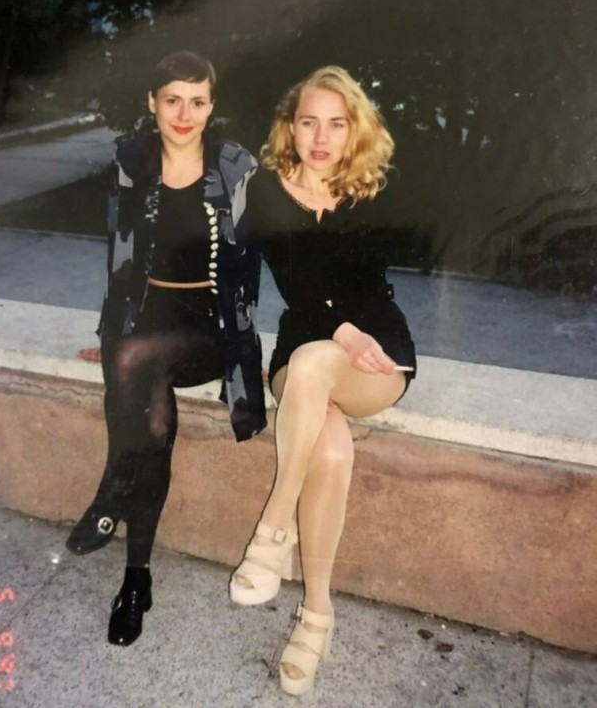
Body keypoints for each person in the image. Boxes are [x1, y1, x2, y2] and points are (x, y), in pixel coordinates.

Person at [66, 51, 266, 646]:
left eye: (197, 101)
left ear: (211, 105)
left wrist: (266, 355)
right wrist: (109, 334)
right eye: (172, 100)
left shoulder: (234, 166)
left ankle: (112, 488)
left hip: (209, 325)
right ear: (151, 103)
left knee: (132, 359)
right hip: (146, 316)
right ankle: (137, 580)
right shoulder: (131, 161)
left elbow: (255, 259)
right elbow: (120, 254)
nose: (184, 113)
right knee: (150, 422)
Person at [229, 66, 416, 695]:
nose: (320, 137)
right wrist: (340, 331)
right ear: (289, 126)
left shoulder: (374, 189)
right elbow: (294, 287)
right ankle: (316, 617)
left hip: (374, 355)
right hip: (306, 348)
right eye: (308, 122)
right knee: (329, 446)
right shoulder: (266, 190)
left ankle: (272, 533)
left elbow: (366, 287)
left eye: (336, 124)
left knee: (319, 364)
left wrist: (352, 337)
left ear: (353, 129)